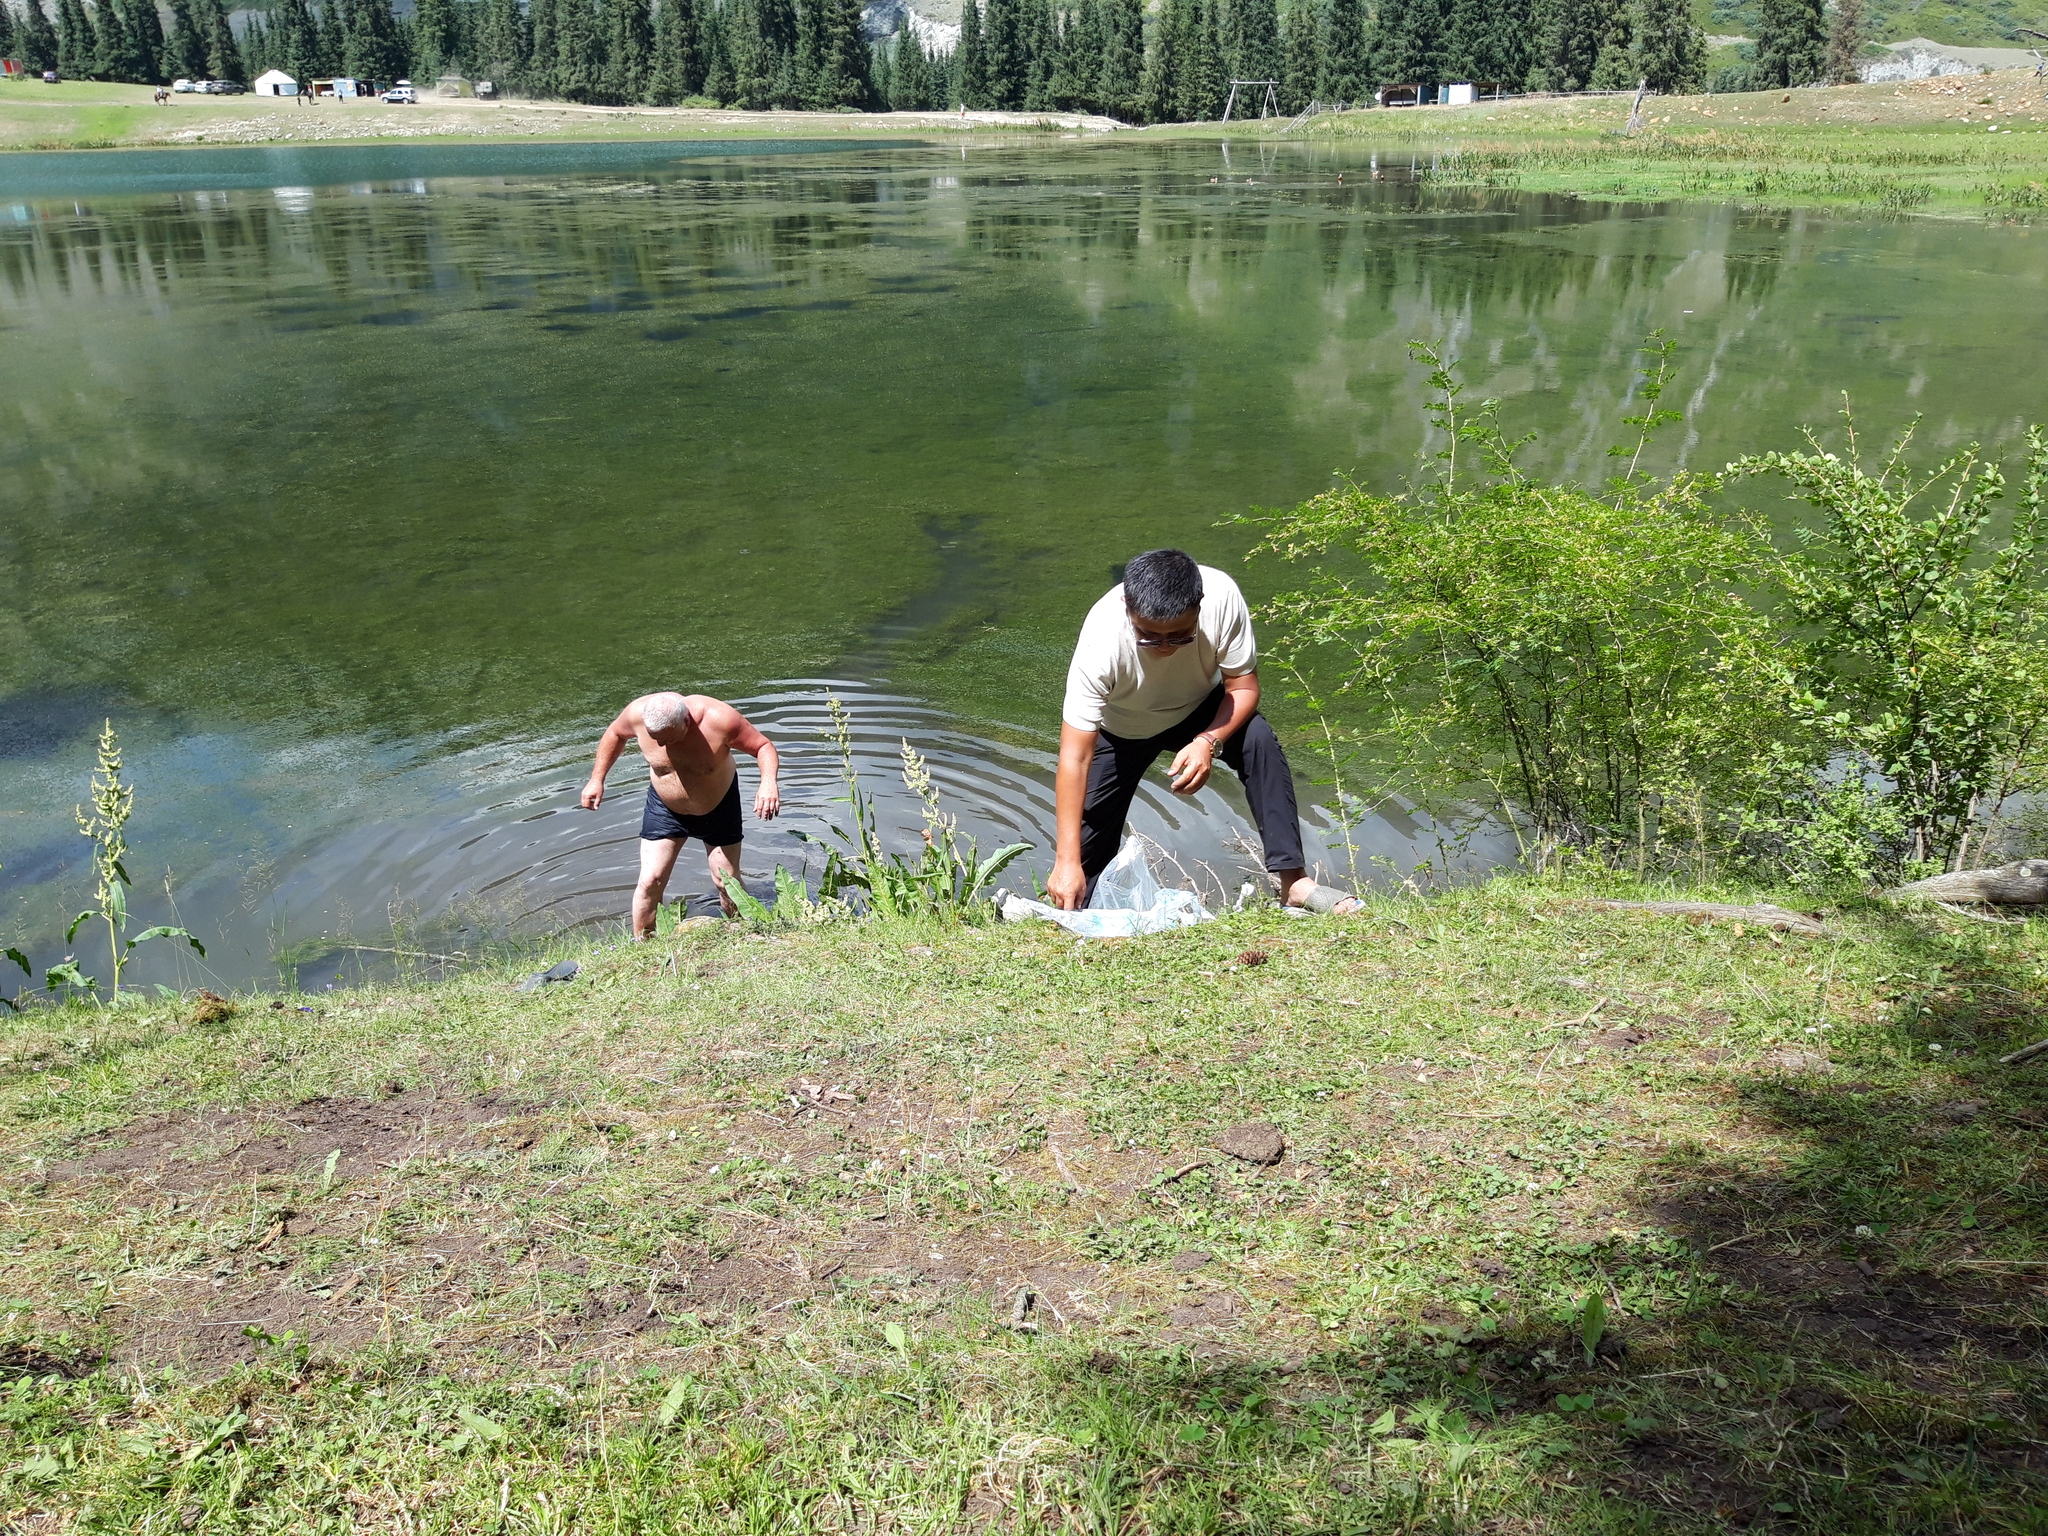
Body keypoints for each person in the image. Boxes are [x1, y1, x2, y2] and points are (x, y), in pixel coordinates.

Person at [1046, 547, 1356, 914]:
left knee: (1258, 740)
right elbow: (1075, 755)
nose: (1164, 647)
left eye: (1179, 636)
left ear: (1200, 605)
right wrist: (1066, 862)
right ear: (1127, 607)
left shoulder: (1222, 597)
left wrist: (1208, 741)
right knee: (1084, 852)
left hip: (1198, 709)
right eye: (1149, 636)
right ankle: (1074, 913)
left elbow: (1242, 688)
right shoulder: (1102, 638)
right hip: (1123, 728)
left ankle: (1294, 883)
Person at [580, 691, 781, 934]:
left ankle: (744, 935)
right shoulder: (636, 713)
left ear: (686, 722)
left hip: (718, 806)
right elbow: (615, 733)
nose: (662, 746)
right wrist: (596, 779)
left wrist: (768, 782)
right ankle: (643, 945)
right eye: (657, 740)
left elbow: (762, 746)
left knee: (726, 881)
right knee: (650, 880)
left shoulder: (720, 720)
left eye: (669, 739)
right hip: (665, 808)